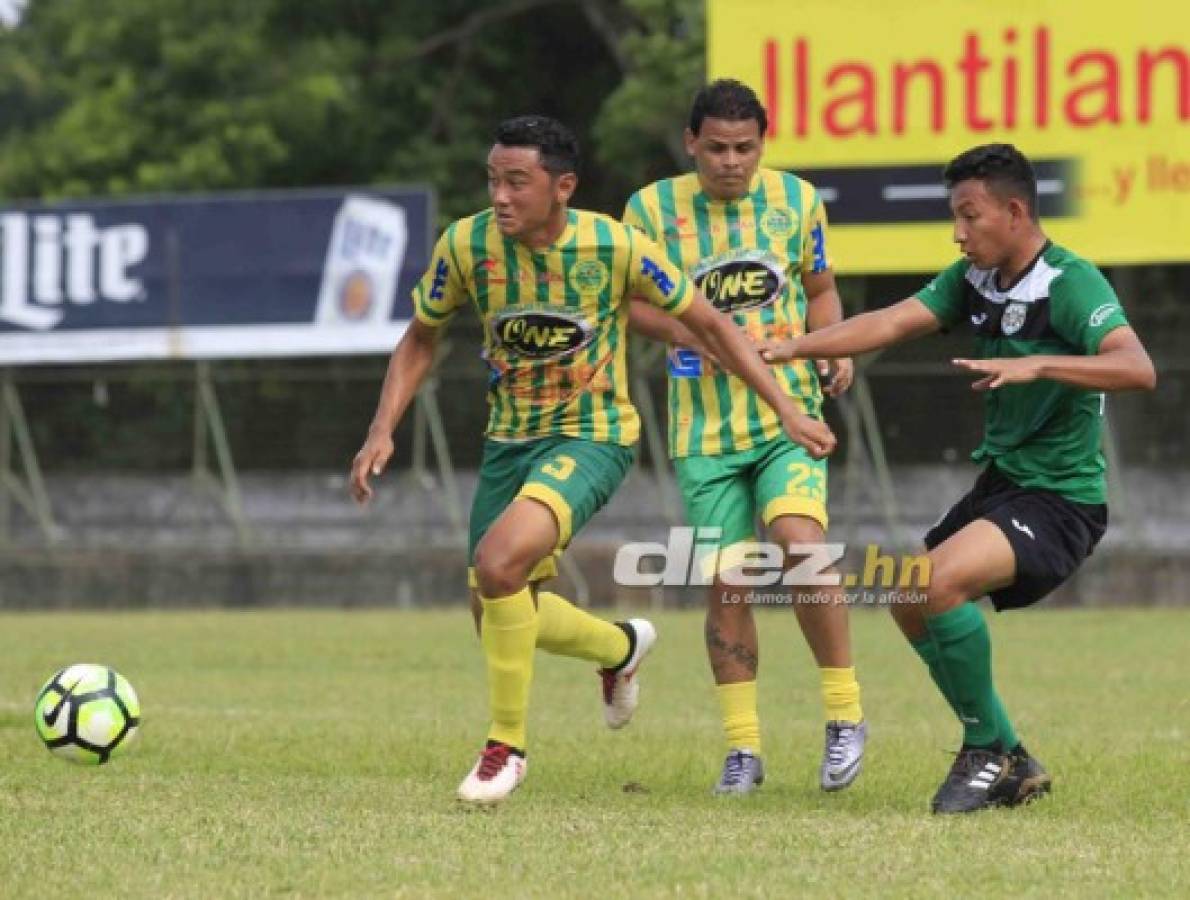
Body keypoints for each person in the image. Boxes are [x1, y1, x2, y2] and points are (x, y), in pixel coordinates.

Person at [349, 114, 835, 805]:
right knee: (495, 607)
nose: (501, 196)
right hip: (507, 442)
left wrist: (787, 407)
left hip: (594, 434)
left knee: (498, 565)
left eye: (518, 182)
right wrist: (381, 428)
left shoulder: (615, 245)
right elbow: (420, 338)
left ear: (563, 187)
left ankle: (504, 749)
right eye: (494, 180)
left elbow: (710, 323)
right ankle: (618, 648)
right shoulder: (465, 246)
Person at [759, 142, 1157, 813]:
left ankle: (985, 751)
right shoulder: (973, 279)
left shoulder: (1070, 282)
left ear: (1014, 210)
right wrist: (792, 345)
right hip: (1002, 488)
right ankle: (1012, 756)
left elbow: (1137, 367)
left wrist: (1043, 365)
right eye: (955, 217)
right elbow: (891, 322)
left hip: (1062, 499)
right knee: (908, 596)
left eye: (970, 217)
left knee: (938, 585)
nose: (959, 232)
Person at [625, 79, 866, 795]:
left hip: (788, 413)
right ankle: (742, 748)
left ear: (765, 141)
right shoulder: (649, 210)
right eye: (718, 148)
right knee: (727, 580)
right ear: (691, 142)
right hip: (703, 429)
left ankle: (844, 717)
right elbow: (632, 307)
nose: (732, 162)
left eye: (746, 148)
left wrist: (833, 344)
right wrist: (710, 336)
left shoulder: (797, 201)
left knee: (800, 543)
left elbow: (818, 286)